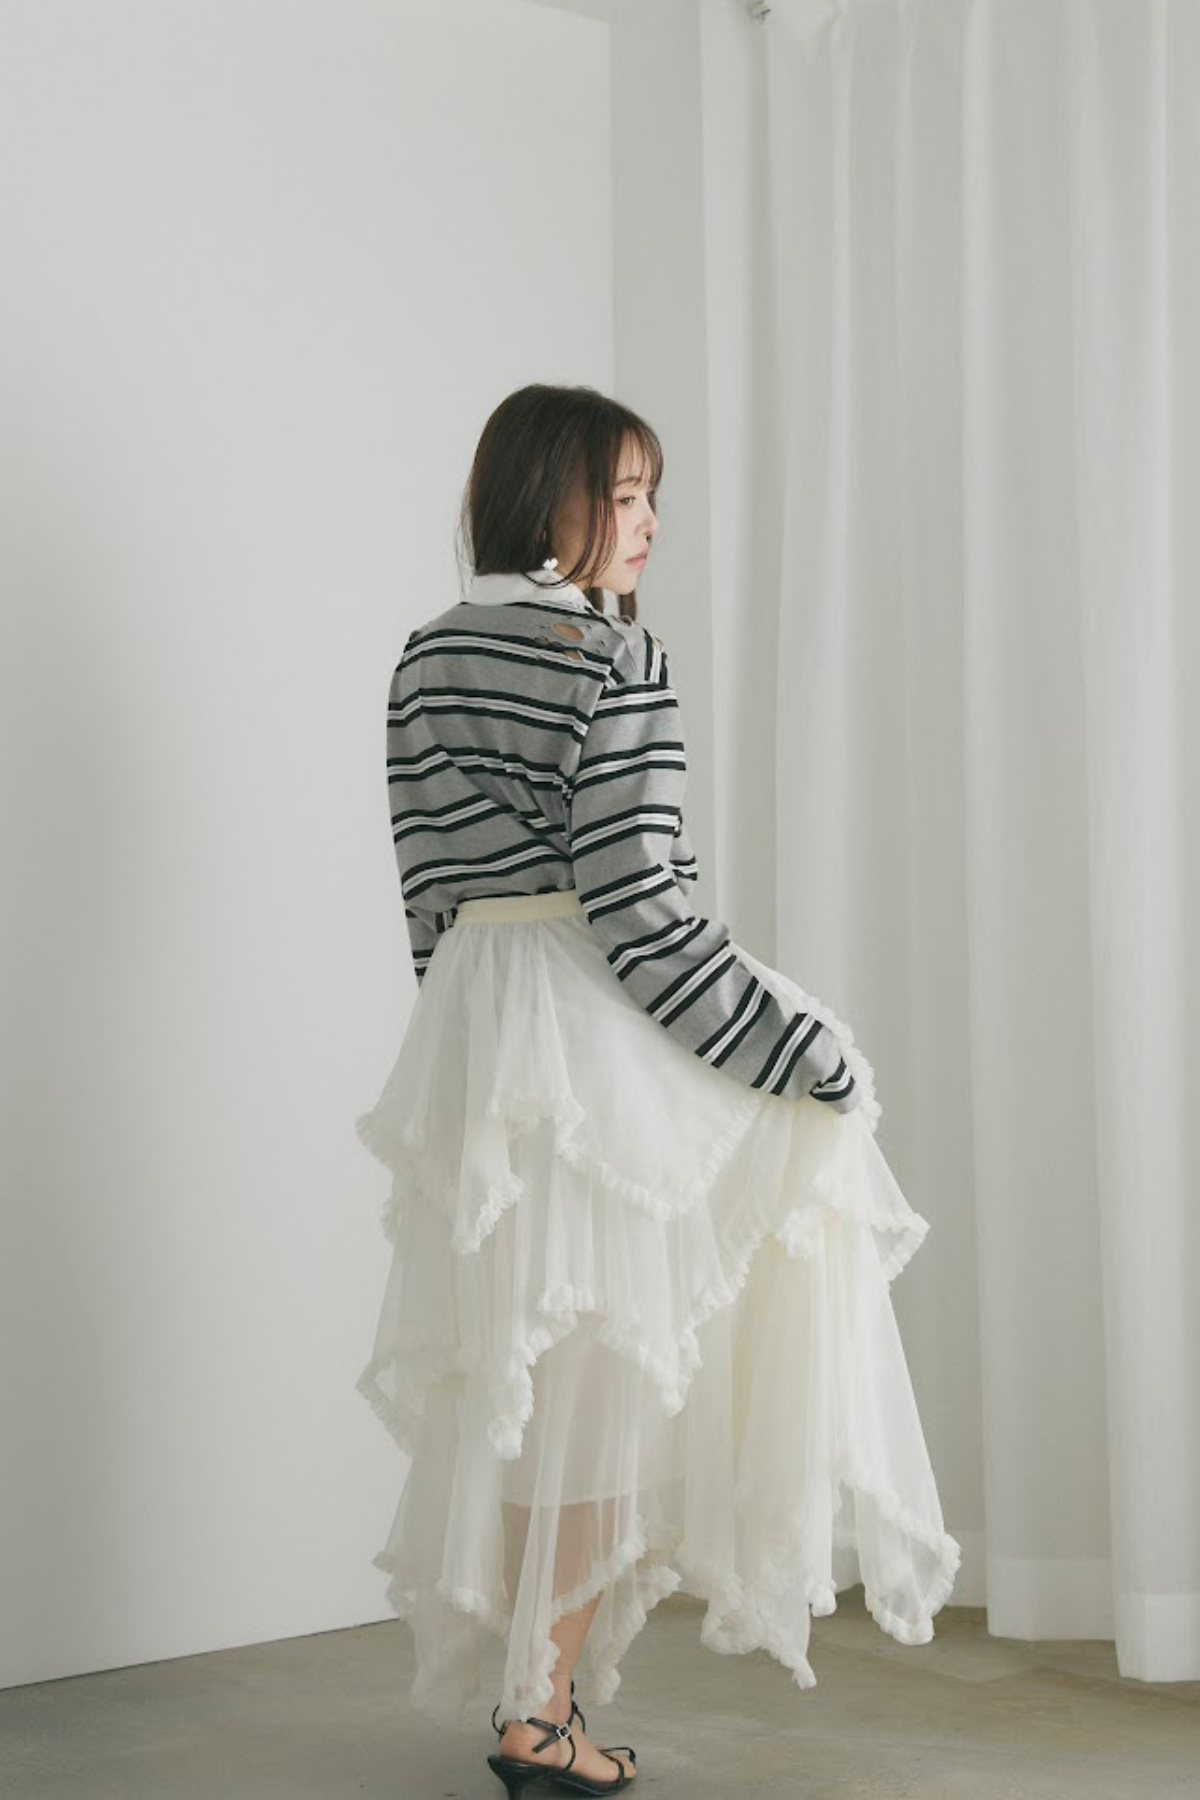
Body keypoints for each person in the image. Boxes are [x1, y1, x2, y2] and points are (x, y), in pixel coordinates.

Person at [355, 384, 960, 1798]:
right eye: (625, 495)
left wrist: (464, 1050)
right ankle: (537, 1716)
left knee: (538, 1384)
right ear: (550, 501)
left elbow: (429, 889)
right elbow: (642, 917)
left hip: (477, 1038)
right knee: (612, 1377)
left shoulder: (425, 655)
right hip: (587, 1028)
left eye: (649, 496)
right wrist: (795, 1052)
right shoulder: (612, 658)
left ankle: (540, 1703)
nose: (649, 525)